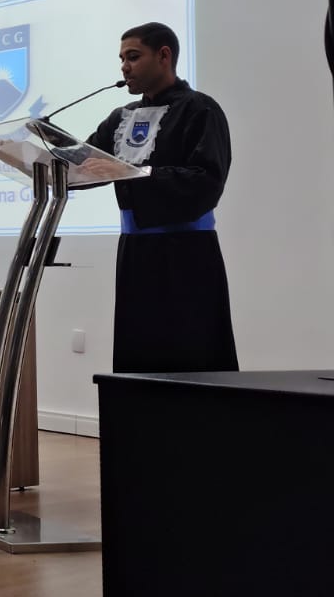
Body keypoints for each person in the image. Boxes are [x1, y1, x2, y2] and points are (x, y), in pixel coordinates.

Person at [85, 21, 237, 373]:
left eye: (133, 57)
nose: (124, 67)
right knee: (138, 356)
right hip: (135, 255)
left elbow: (207, 181)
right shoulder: (120, 117)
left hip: (187, 256)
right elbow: (85, 163)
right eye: (122, 59)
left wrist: (134, 173)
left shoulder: (201, 109)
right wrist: (41, 149)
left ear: (164, 56)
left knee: (190, 356)